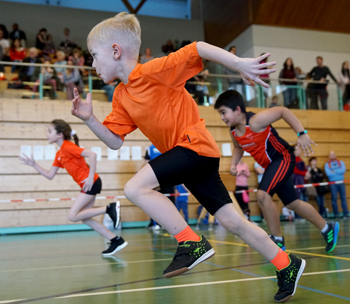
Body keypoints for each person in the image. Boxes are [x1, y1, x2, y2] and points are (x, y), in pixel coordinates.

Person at [71, 12, 306, 302]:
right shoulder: (121, 96)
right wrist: (89, 119)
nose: (92, 64)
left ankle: (191, 243)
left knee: (135, 188)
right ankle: (286, 264)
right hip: (190, 159)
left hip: (194, 148)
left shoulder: (155, 70)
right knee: (233, 222)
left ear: (115, 51)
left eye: (94, 55)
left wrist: (237, 63)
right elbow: (115, 141)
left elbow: (197, 48)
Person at [215, 90, 339, 253]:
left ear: (237, 110)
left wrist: (302, 134)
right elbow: (238, 147)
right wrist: (233, 163)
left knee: (262, 195)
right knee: (292, 203)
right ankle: (327, 228)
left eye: (224, 112)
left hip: (283, 158)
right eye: (220, 114)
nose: (222, 117)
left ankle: (277, 240)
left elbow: (282, 111)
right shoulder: (233, 131)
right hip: (272, 166)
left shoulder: (255, 122)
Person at [19, 119, 127, 256]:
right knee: (85, 218)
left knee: (72, 215)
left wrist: (90, 176)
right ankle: (115, 240)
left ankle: (109, 208)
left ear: (59, 135)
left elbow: (92, 155)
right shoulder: (60, 154)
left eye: (49, 131)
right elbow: (50, 175)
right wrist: (34, 164)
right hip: (90, 184)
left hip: (91, 182)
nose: (47, 134)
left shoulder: (68, 146)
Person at [144, 144, 176, 229]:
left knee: (155, 201)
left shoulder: (150, 148)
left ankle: (156, 223)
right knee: (169, 201)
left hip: (156, 178)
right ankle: (170, 223)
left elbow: (146, 163)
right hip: (167, 177)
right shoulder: (167, 146)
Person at [325, 151, 349, 218]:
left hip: (341, 182)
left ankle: (346, 213)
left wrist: (334, 171)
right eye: (330, 154)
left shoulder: (341, 162)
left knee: (343, 198)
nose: (332, 156)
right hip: (333, 183)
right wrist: (338, 171)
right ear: (329, 156)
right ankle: (336, 214)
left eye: (333, 154)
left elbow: (343, 170)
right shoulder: (327, 164)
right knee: (334, 198)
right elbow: (328, 173)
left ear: (335, 155)